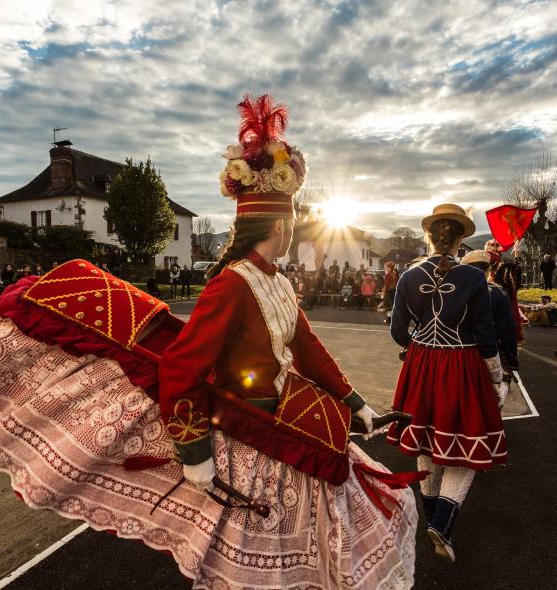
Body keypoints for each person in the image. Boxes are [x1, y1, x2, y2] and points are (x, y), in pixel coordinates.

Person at [159, 95, 416, 587]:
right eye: (293, 224)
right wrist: (195, 456)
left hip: (286, 420)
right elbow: (179, 370)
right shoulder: (232, 283)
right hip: (248, 435)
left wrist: (357, 404)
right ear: (280, 225)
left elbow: (308, 346)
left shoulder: (275, 279)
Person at [388, 203, 508, 562]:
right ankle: (441, 521)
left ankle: (431, 517)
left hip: (422, 362)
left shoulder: (408, 276)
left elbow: (397, 332)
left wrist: (419, 348)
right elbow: (487, 336)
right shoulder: (473, 278)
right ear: (459, 239)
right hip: (461, 362)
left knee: (427, 439)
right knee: (465, 444)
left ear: (429, 236)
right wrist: (497, 379)